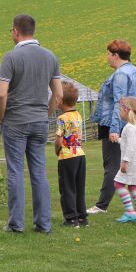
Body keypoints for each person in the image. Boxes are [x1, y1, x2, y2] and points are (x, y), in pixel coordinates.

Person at [0, 14, 63, 234]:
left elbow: (0, 95)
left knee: (15, 171)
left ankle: (16, 223)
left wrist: (2, 116)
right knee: (39, 172)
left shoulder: (11, 58)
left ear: (16, 31)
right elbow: (58, 94)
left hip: (16, 120)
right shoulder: (50, 57)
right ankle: (43, 224)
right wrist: (46, 112)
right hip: (39, 121)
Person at [87, 39, 136, 216]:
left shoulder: (121, 74)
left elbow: (120, 103)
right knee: (132, 164)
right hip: (135, 123)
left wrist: (114, 129)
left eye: (108, 54)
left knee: (111, 165)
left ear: (116, 55)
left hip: (117, 124)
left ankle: (101, 205)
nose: (107, 57)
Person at [55, 81, 87, 227]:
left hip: (67, 156)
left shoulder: (62, 119)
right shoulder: (78, 115)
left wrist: (57, 151)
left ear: (61, 101)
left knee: (67, 187)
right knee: (79, 187)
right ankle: (82, 217)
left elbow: (59, 139)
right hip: (80, 154)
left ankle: (71, 218)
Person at [113, 96, 136, 225]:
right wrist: (118, 139)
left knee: (118, 184)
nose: (119, 112)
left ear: (125, 109)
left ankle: (130, 212)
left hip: (132, 162)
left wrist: (125, 162)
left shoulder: (129, 127)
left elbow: (131, 148)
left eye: (120, 109)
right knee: (134, 187)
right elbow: (129, 142)